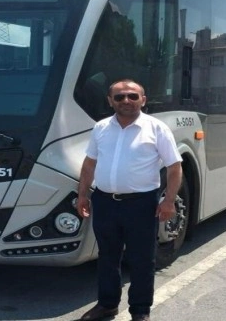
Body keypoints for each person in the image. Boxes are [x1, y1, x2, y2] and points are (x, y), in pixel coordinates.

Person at [77, 79, 183, 321]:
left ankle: (140, 311)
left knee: (142, 259)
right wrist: (83, 194)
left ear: (143, 100)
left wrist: (168, 201)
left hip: (141, 204)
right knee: (107, 256)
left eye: (133, 96)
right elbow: (90, 163)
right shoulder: (101, 128)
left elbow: (174, 167)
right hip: (104, 201)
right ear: (110, 101)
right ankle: (107, 305)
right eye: (120, 96)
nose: (126, 100)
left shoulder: (157, 128)